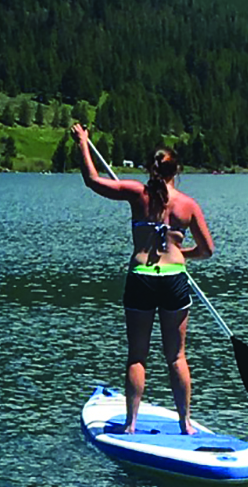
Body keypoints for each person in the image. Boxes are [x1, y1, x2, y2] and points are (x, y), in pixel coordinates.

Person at [70, 125, 214, 435]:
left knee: (137, 355)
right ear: (177, 172)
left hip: (142, 279)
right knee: (176, 356)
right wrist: (180, 253)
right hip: (174, 279)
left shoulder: (138, 193)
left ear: (150, 169)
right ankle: (185, 424)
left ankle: (131, 424)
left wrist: (83, 143)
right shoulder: (188, 205)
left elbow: (93, 181)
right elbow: (207, 250)